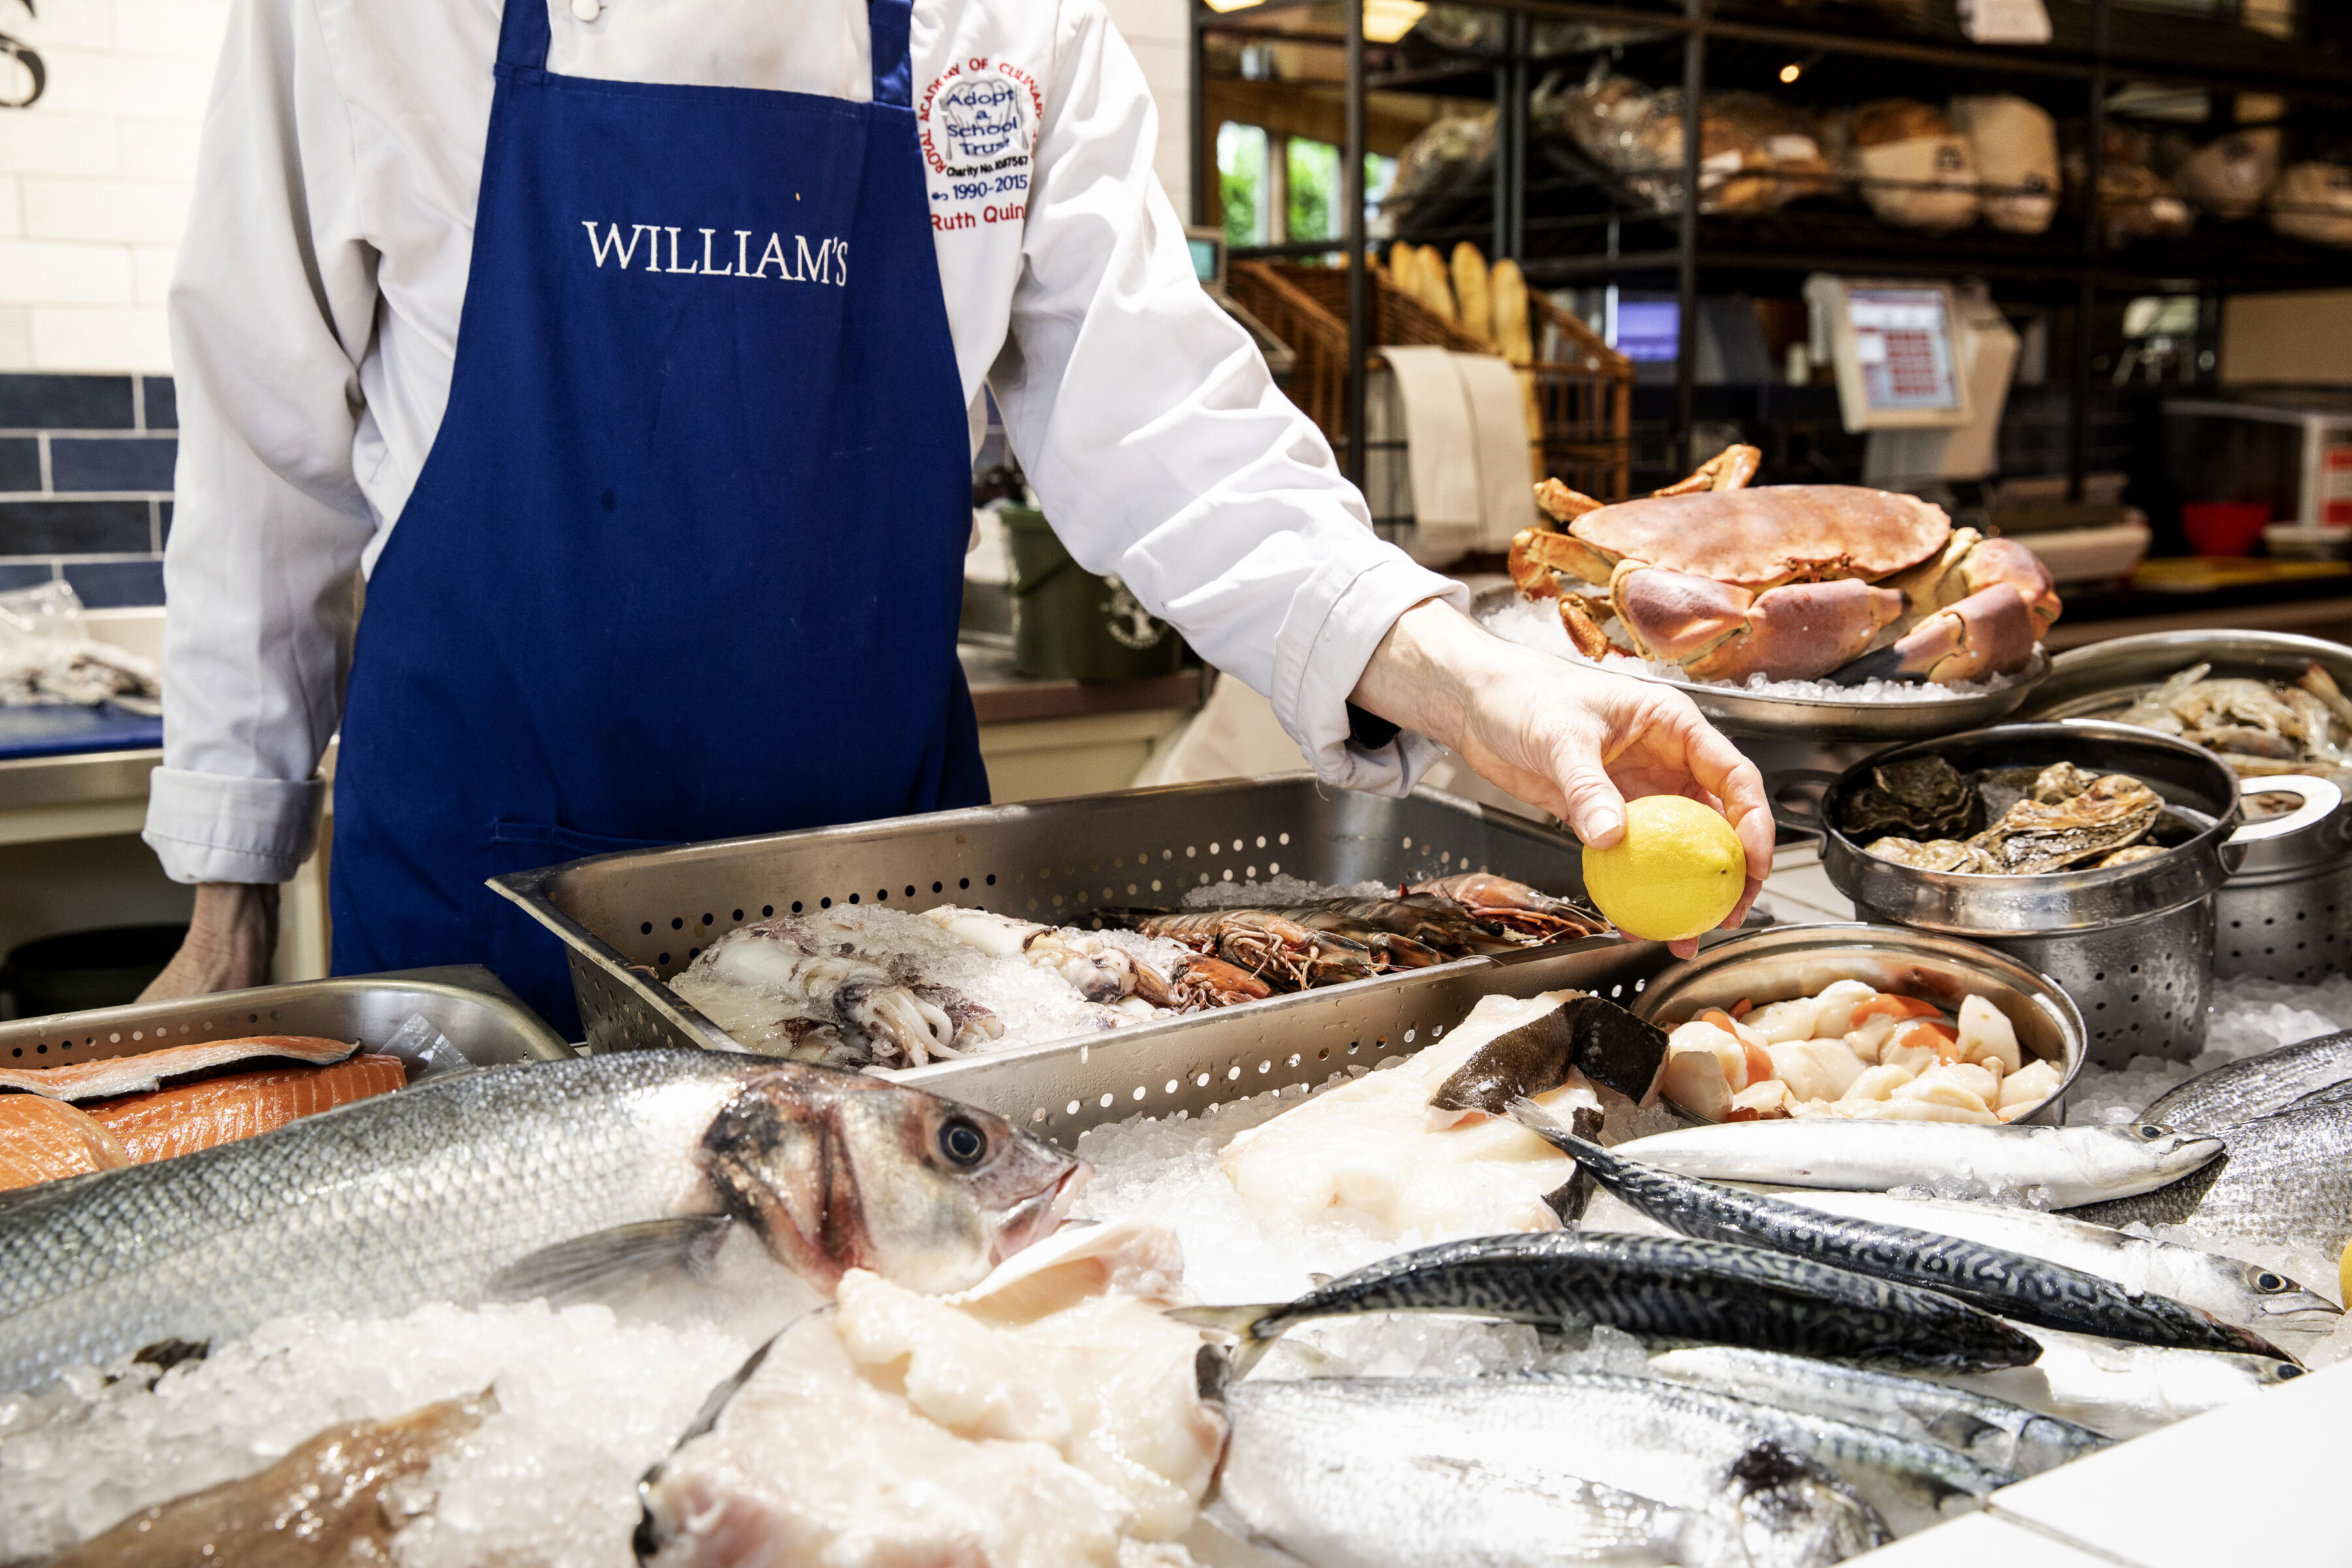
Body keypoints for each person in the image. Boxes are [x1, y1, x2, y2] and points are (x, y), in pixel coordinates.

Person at [139, 0, 1772, 1028]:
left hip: (882, 924)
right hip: (482, 918)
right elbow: (258, 456)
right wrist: (226, 906)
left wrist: (1484, 685)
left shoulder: (1017, 25)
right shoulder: (360, 17)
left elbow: (1167, 431)